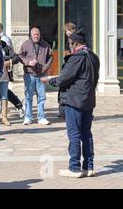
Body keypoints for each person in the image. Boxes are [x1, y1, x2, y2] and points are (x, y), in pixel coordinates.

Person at [41, 31, 99, 178]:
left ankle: (74, 168)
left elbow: (64, 79)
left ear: (76, 43)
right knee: (86, 134)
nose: (69, 45)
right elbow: (94, 79)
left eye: (70, 42)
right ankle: (88, 167)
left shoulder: (77, 58)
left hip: (75, 100)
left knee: (74, 134)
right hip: (88, 100)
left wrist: (49, 80)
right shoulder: (93, 57)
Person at [19, 26, 53, 125]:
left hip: (42, 75)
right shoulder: (25, 44)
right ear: (31, 35)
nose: (36, 36)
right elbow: (20, 56)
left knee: (41, 97)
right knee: (28, 96)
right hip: (29, 74)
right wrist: (28, 62)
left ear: (40, 34)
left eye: (37, 34)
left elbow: (51, 57)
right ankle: (28, 117)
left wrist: (46, 68)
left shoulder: (45, 45)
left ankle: (41, 117)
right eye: (34, 34)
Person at [0, 22, 24, 118]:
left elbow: (14, 57)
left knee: (4, 93)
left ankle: (5, 115)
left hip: (4, 74)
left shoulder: (5, 42)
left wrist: (8, 62)